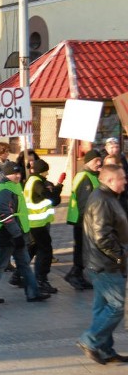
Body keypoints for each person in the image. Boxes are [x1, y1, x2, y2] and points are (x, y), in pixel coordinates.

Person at [76, 164, 128, 365]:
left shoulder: (109, 197)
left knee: (103, 307)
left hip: (103, 262)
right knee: (116, 306)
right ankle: (89, 340)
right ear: (109, 180)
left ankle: (105, 350)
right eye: (122, 178)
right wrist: (119, 257)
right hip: (105, 264)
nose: (125, 181)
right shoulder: (101, 200)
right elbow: (102, 236)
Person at [0, 162, 50, 304]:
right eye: (15, 173)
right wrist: (17, 235)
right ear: (7, 174)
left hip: (16, 234)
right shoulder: (3, 189)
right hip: (6, 235)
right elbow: (5, 215)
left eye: (19, 173)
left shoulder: (14, 186)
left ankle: (33, 293)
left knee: (24, 264)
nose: (18, 175)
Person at [21, 159, 62, 294]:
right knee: (45, 251)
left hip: (32, 222)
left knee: (33, 248)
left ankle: (19, 275)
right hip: (37, 222)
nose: (47, 174)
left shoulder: (31, 181)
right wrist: (58, 188)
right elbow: (52, 199)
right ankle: (41, 280)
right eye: (46, 171)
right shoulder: (38, 183)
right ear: (42, 171)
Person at [65, 150, 102, 290]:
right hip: (82, 221)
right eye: (96, 160)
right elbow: (84, 202)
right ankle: (75, 275)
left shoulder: (93, 175)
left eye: (100, 160)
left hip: (88, 221)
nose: (99, 163)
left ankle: (77, 275)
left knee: (84, 249)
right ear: (87, 161)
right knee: (81, 249)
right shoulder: (84, 176)